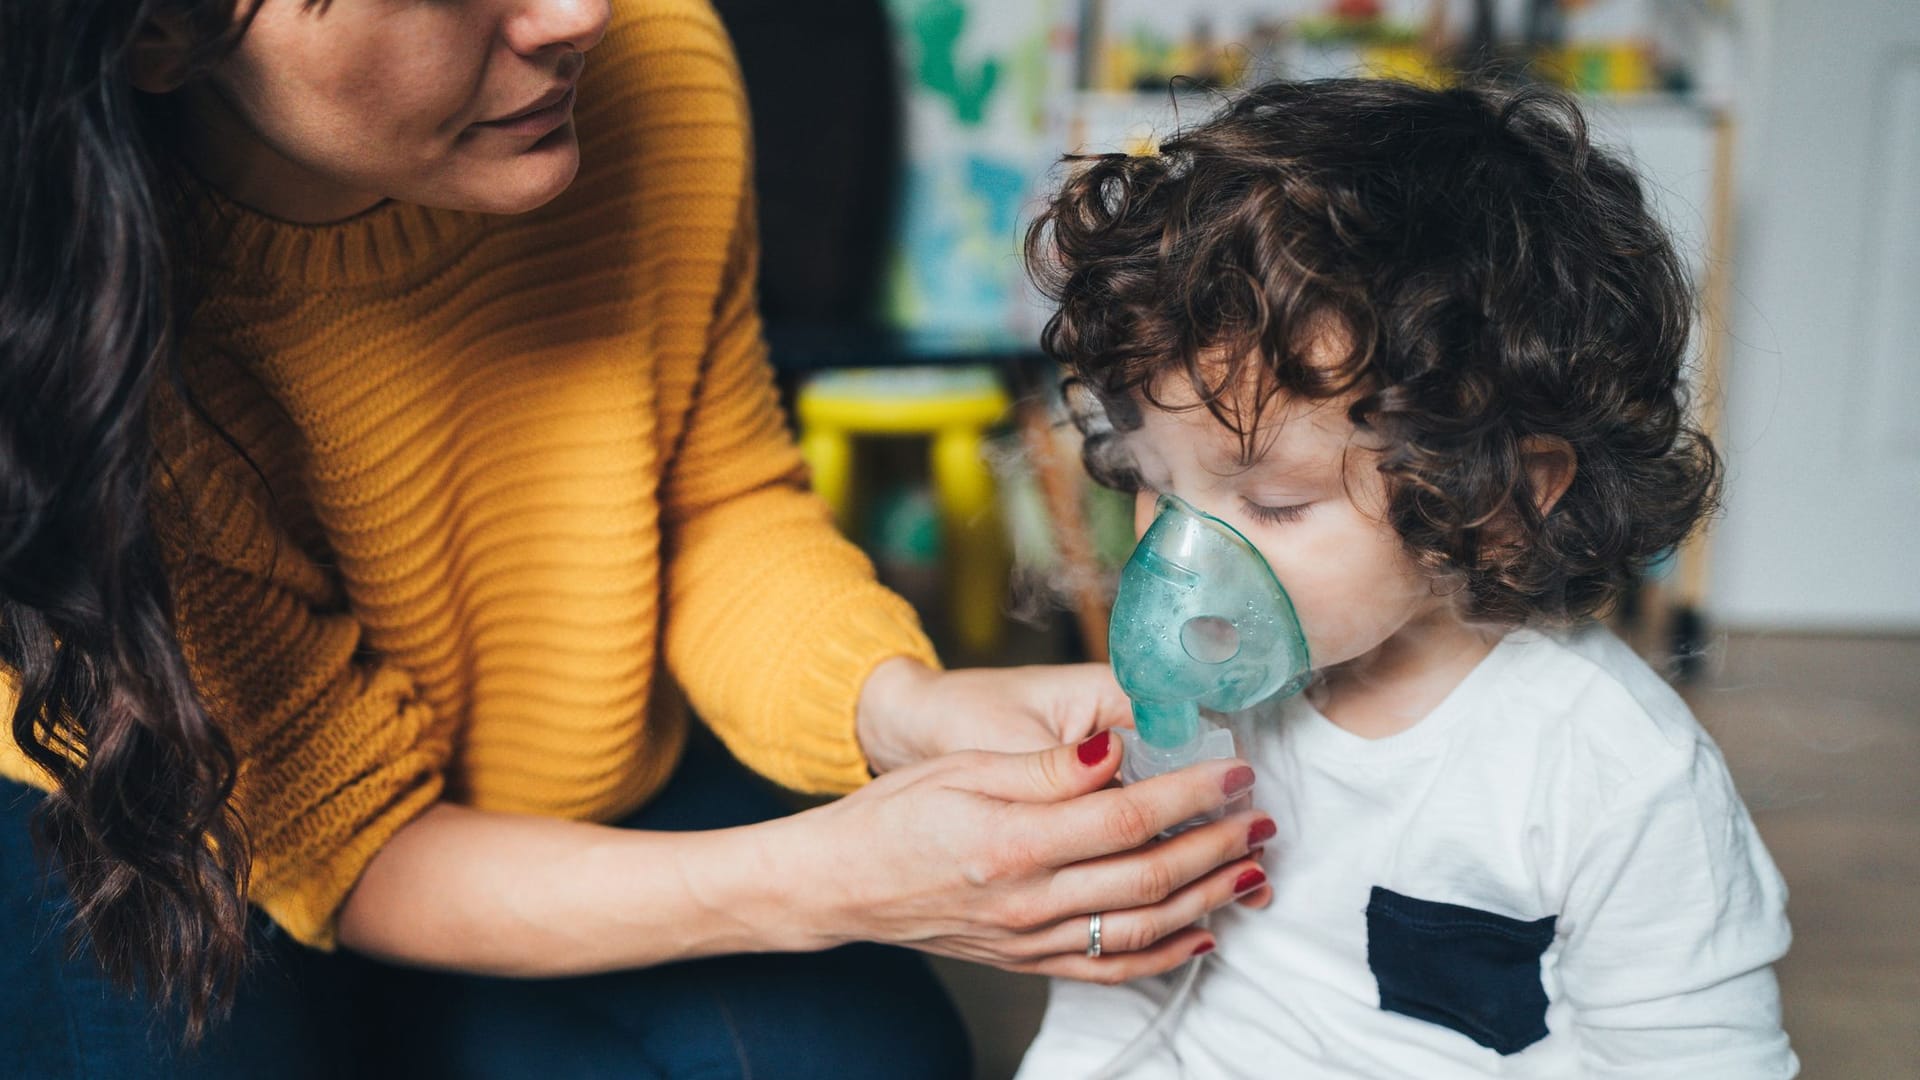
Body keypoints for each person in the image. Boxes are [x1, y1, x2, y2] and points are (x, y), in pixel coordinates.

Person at [0, 2, 1275, 1075]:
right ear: (160, 31)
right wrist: (823, 880)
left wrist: (904, 711)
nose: (576, 15)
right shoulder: (78, 318)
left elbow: (711, 504)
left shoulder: (652, 63)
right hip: (166, 822)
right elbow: (356, 839)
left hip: (566, 760)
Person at [1016, 78, 1797, 1077]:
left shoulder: (1615, 777)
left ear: (1498, 497)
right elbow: (1123, 979)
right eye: (1155, 483)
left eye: (1276, 504)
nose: (1183, 558)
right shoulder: (1202, 703)